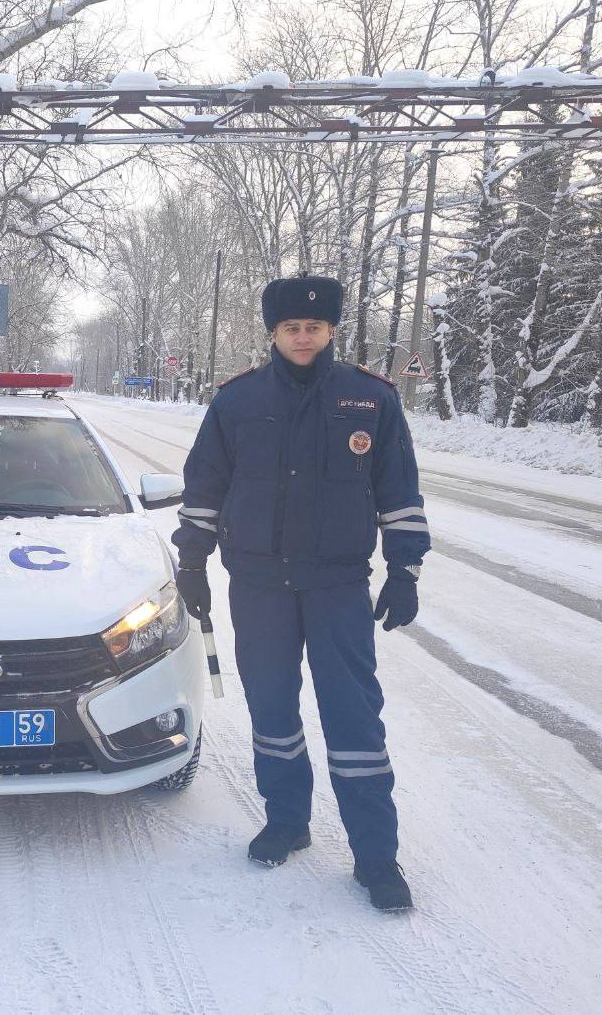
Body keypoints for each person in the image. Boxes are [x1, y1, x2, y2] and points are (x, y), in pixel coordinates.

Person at [172, 274, 429, 912]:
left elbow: (399, 490)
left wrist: (405, 569)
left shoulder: (370, 400)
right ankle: (287, 819)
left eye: (314, 327)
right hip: (258, 585)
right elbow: (205, 485)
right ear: (273, 333)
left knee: (354, 717)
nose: (303, 337)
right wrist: (193, 561)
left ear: (333, 329)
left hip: (338, 584)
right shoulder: (236, 401)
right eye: (291, 327)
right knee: (273, 710)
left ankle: (375, 856)